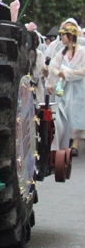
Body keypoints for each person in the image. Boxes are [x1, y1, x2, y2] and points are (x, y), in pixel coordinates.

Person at [48, 24, 85, 156]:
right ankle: (65, 141)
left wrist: (68, 73)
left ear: (70, 36)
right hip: (63, 89)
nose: (61, 38)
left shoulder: (82, 51)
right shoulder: (61, 52)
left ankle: (75, 144)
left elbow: (82, 71)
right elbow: (53, 67)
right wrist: (57, 75)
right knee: (63, 115)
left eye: (63, 35)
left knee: (77, 115)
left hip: (77, 89)